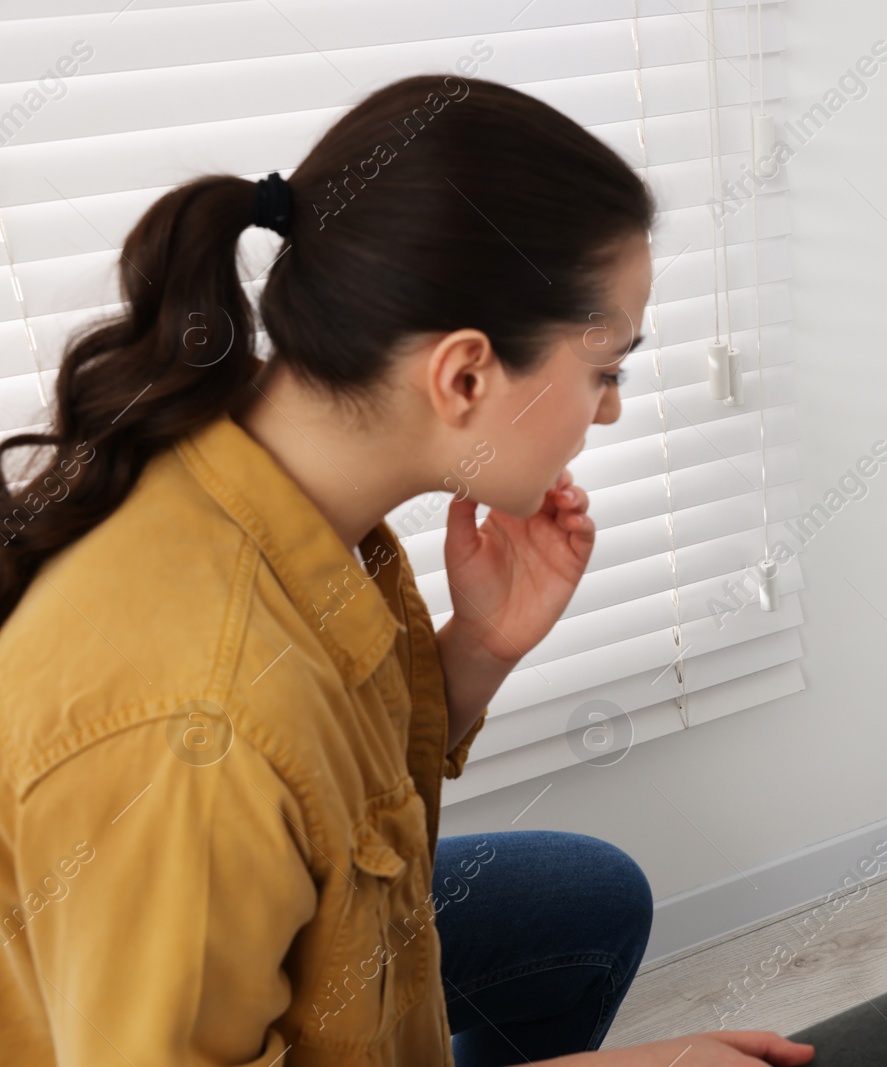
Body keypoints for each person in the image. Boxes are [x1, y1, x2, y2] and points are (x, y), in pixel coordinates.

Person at [0, 74, 815, 1067]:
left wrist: (475, 648)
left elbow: (334, 781)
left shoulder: (296, 497)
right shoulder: (190, 724)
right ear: (464, 374)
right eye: (606, 368)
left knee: (589, 904)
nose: (605, 410)